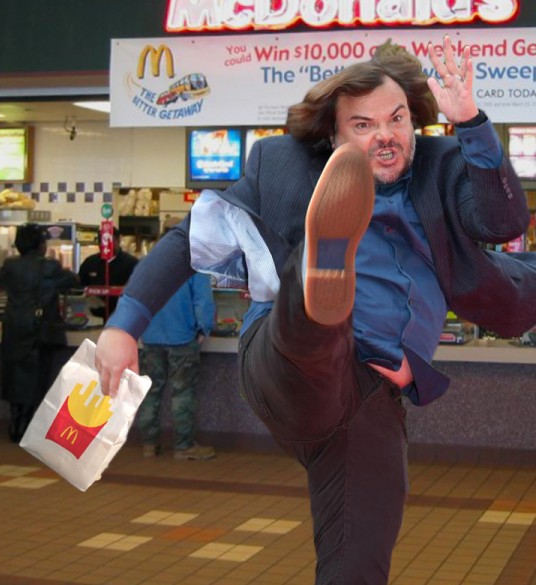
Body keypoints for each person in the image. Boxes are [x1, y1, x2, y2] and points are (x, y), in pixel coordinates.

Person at [92, 36, 536, 584]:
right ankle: (321, 271)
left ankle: (327, 292)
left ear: (413, 121)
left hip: (371, 395)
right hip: (287, 361)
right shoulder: (282, 164)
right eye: (363, 125)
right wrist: (124, 327)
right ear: (333, 135)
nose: (386, 136)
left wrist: (471, 122)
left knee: (358, 565)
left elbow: (502, 223)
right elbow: (188, 241)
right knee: (309, 323)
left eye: (396, 120)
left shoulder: (442, 166)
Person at [0, 224, 79, 442]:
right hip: (40, 328)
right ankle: (28, 426)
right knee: (37, 377)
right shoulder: (49, 267)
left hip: (13, 327)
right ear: (41, 245)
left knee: (14, 376)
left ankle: (16, 422)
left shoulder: (10, 266)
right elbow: (73, 281)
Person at [137, 220, 216, 460]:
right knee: (182, 392)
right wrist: (203, 328)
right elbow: (203, 302)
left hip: (151, 337)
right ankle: (183, 446)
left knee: (151, 391)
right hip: (182, 337)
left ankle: (149, 445)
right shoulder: (192, 266)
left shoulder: (145, 264)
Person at [78, 227, 138, 321]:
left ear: (118, 240)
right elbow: (80, 285)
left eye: (109, 240)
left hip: (122, 316)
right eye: (101, 241)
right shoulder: (90, 262)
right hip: (94, 316)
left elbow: (136, 290)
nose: (105, 245)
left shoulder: (132, 263)